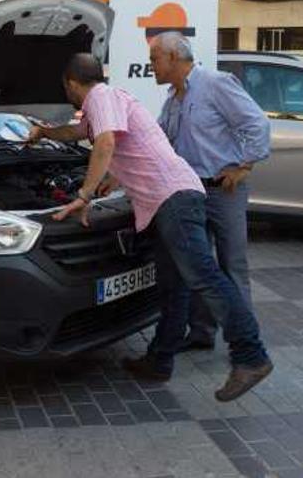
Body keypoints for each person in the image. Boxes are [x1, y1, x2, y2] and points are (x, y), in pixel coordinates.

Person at [28, 54, 272, 402]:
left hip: (173, 198)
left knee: (204, 275)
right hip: (169, 200)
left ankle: (251, 356)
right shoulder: (104, 105)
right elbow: (79, 131)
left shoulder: (102, 97)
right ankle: (159, 360)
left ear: (70, 83)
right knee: (173, 286)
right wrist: (44, 132)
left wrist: (84, 193)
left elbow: (106, 142)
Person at [152, 32, 271, 352]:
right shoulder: (172, 99)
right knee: (198, 266)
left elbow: (257, 124)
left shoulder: (215, 83)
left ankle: (246, 343)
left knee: (232, 265)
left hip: (223, 191)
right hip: (189, 194)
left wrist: (245, 166)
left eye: (155, 59)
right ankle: (202, 333)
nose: (152, 66)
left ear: (174, 57)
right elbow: (160, 142)